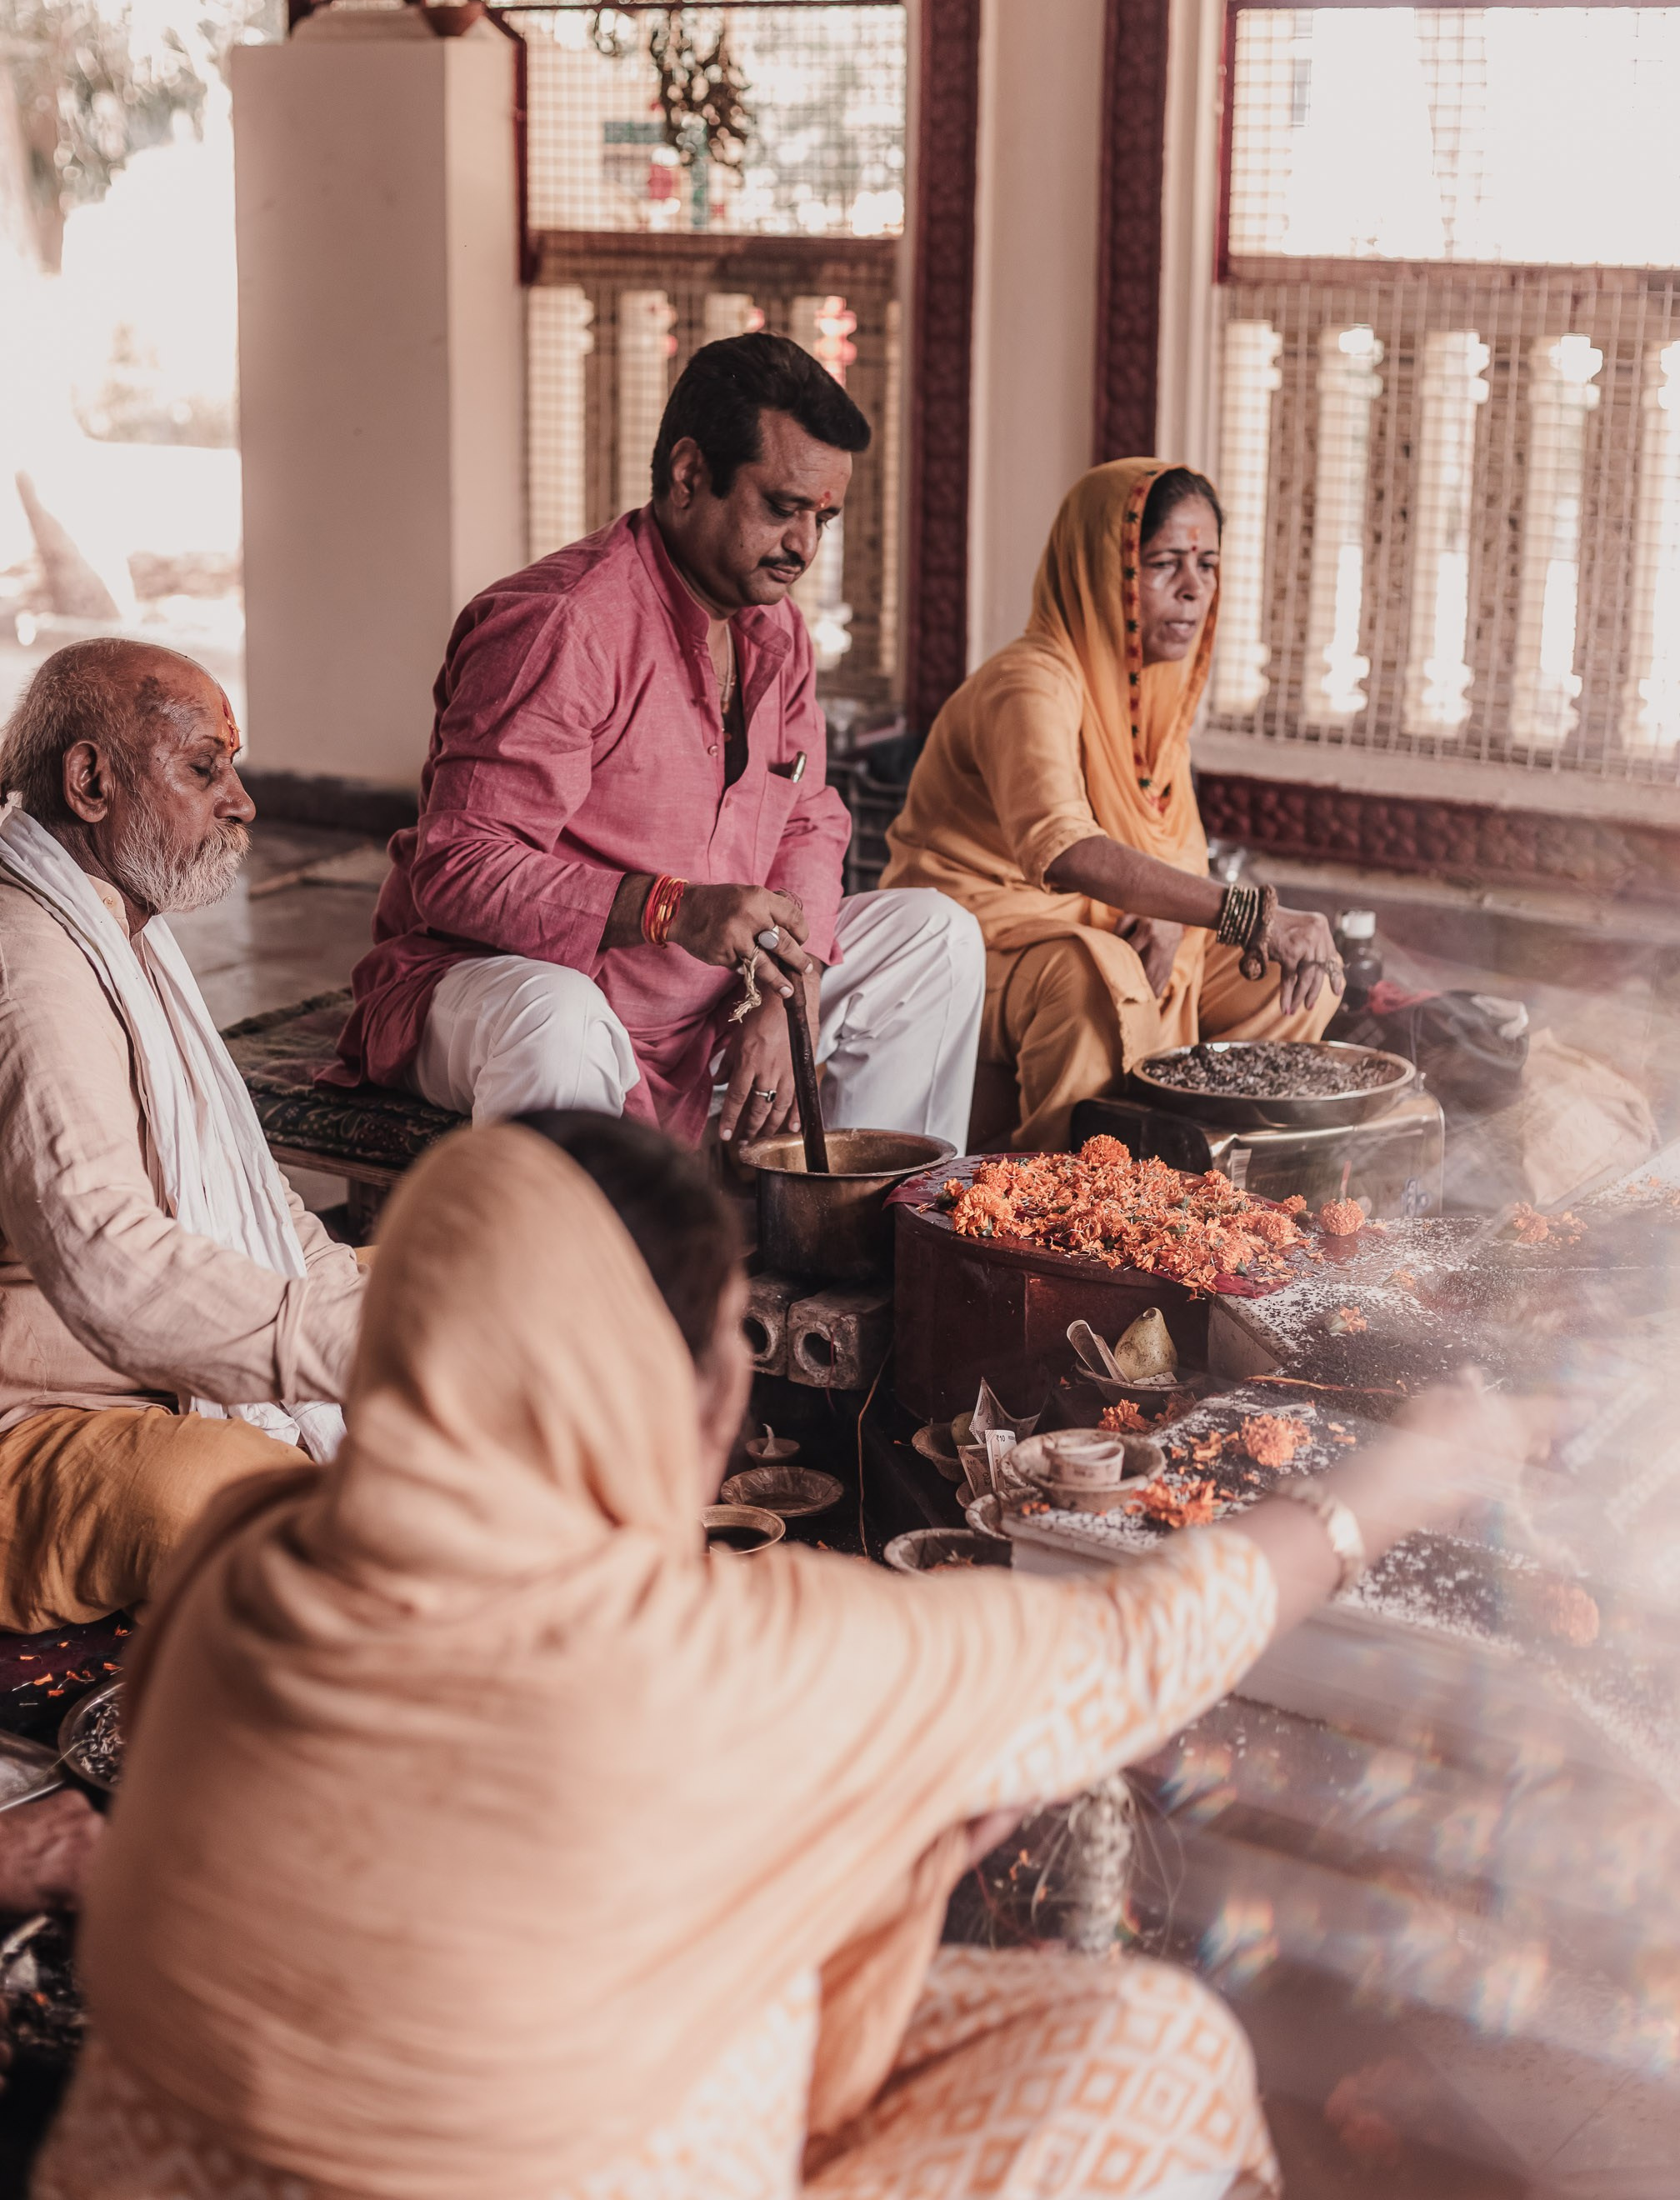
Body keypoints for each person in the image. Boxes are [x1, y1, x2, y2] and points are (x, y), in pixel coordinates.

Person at [38, 1119, 1557, 2200]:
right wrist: (1397, 1482)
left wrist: (854, 1855)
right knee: (1149, 2044)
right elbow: (1134, 1637)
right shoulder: (721, 1652)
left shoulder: (247, 1555)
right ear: (659, 1384)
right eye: (724, 1347)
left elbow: (487, 1890)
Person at [333, 331, 984, 1152]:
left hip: (701, 999)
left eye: (824, 518)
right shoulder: (564, 624)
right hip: (517, 992)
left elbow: (808, 820)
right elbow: (457, 870)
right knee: (559, 1022)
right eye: (782, 508)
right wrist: (667, 907)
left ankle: (863, 1234)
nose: (805, 547)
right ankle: (583, 1276)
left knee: (936, 936)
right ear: (688, 475)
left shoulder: (775, 632)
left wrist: (791, 989)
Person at [0, 641, 363, 1632]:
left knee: (463, 1299)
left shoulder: (124, 932)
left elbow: (261, 1209)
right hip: (40, 1421)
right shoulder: (25, 960)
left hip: (154, 1372)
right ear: (90, 781)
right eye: (206, 768)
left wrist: (398, 1316)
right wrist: (365, 1349)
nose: (241, 801)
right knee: (271, 1511)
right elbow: (106, 1259)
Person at [882, 459, 1346, 1150]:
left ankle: (1198, 1172)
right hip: (975, 944)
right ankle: (1057, 1214)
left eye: (1208, 565)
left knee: (1303, 974)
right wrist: (1246, 913)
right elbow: (1065, 849)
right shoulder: (1029, 682)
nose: (1194, 591)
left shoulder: (1152, 697)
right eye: (1164, 564)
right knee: (1095, 975)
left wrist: (1170, 916)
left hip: (1102, 930)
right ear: (1104, 569)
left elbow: (1167, 851)